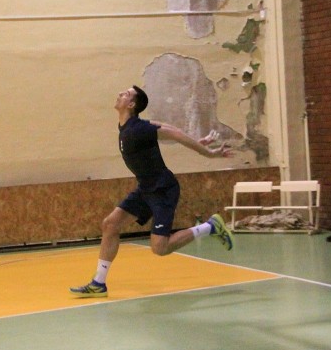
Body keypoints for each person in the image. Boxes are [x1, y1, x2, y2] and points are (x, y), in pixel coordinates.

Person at [70, 85, 235, 297]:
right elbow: (166, 129)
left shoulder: (138, 129)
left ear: (131, 104)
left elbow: (173, 132)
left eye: (126, 94)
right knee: (110, 224)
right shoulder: (130, 127)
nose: (120, 94)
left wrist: (209, 153)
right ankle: (98, 283)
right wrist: (196, 141)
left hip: (162, 189)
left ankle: (210, 227)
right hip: (145, 188)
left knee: (160, 247)